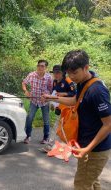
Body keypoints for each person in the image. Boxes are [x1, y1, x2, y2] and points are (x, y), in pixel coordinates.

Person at [42, 50, 111, 190]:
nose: (71, 77)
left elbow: (108, 124)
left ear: (86, 67)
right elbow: (75, 100)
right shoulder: (83, 82)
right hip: (86, 146)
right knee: (92, 182)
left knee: (81, 185)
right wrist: (53, 97)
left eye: (75, 73)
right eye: (68, 73)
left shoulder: (97, 91)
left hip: (95, 149)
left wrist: (87, 148)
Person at [22, 60, 53, 144]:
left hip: (45, 102)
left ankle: (46, 138)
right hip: (34, 101)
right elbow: (24, 83)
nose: (40, 67)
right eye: (39, 65)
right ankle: (28, 136)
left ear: (46, 68)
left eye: (42, 66)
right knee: (29, 118)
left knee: (46, 120)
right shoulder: (31, 75)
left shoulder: (49, 77)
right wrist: (26, 91)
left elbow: (51, 90)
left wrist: (47, 96)